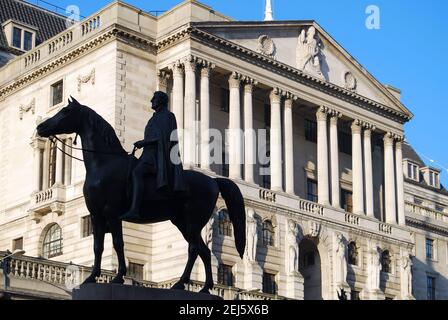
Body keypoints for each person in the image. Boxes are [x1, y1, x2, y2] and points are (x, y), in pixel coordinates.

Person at [120, 91, 186, 220]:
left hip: (157, 156)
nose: (151, 100)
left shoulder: (168, 116)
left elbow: (165, 137)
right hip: (148, 154)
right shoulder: (154, 117)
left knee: (136, 173)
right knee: (127, 169)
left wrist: (144, 142)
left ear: (161, 101)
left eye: (154, 98)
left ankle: (134, 210)